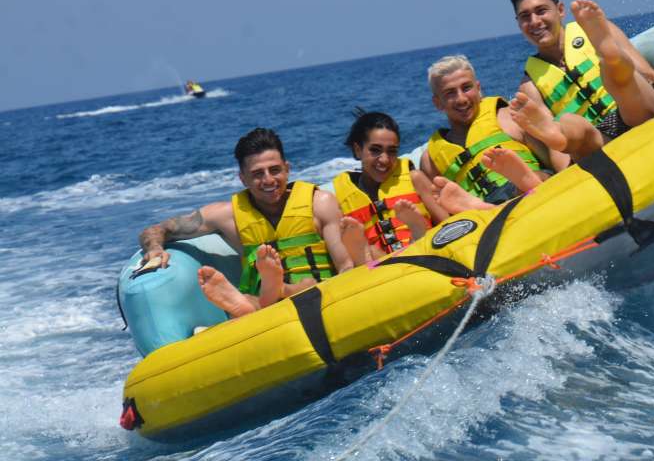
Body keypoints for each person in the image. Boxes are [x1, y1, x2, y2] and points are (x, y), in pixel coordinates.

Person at [138, 128, 354, 317]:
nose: (268, 180)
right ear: (243, 178)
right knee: (251, 301)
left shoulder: (319, 203)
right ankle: (249, 301)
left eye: (275, 170)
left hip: (323, 295)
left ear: (287, 168)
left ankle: (271, 293)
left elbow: (345, 265)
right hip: (268, 310)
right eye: (257, 174)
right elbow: (156, 230)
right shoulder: (227, 216)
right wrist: (155, 248)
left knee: (306, 287)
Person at [507, 0, 654, 159]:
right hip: (602, 141)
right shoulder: (529, 86)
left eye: (541, 10)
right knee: (573, 124)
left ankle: (612, 58)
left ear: (560, 10)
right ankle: (564, 136)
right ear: (519, 23)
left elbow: (648, 73)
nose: (534, 21)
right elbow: (555, 149)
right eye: (525, 16)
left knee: (618, 76)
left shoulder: (594, 29)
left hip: (638, 110)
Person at [419, 54, 558, 215]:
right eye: (450, 93)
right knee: (476, 212)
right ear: (437, 103)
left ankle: (522, 184)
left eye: (466, 88)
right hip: (485, 210)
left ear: (478, 89)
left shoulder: (510, 116)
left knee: (536, 178)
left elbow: (551, 162)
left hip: (535, 189)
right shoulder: (430, 160)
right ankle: (482, 207)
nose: (461, 99)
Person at [332, 111, 436, 263]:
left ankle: (418, 234)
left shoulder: (415, 179)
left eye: (392, 151)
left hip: (427, 256)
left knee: (415, 247)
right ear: (358, 150)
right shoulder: (340, 201)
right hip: (382, 272)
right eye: (375, 150)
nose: (385, 159)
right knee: (372, 252)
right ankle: (365, 252)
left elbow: (447, 222)